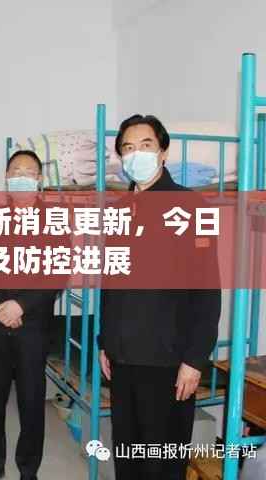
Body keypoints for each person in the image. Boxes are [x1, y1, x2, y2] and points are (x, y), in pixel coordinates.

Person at [98, 115, 221, 479]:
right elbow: (110, 282)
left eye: (146, 145)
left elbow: (207, 290)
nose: (136, 153)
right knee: (128, 457)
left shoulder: (191, 206)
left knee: (163, 463)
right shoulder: (118, 210)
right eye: (128, 148)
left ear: (163, 152)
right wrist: (105, 341)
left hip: (168, 362)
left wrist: (195, 360)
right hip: (123, 359)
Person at [0, 151, 64, 480]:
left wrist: (21, 306)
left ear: (39, 179)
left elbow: (57, 272)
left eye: (29, 171)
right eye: (16, 170)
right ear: (6, 177)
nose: (22, 176)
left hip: (33, 327)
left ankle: (29, 471)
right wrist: (1, 308)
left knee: (31, 403)